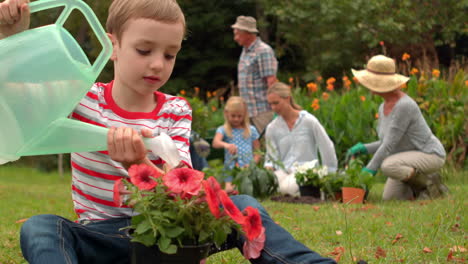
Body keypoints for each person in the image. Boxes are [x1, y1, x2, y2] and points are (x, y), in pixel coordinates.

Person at [1, 0, 335, 263]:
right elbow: (17, 94)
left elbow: (184, 183)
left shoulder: (175, 110)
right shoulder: (81, 97)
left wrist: (140, 163)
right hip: (105, 238)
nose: (158, 64)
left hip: (170, 237)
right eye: (144, 51)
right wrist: (15, 39)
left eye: (170, 54)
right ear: (112, 45)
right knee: (41, 227)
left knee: (244, 205)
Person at [348, 54, 448, 201]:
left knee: (388, 165)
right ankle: (416, 187)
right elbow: (386, 141)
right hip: (407, 158)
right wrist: (364, 148)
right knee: (391, 198)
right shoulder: (383, 107)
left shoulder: (404, 106)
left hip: (429, 154)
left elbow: (389, 145)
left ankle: (430, 185)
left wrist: (370, 169)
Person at [264, 82, 338, 196]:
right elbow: (271, 157)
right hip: (283, 172)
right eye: (270, 104)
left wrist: (330, 173)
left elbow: (326, 146)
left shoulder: (309, 121)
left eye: (276, 103)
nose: (273, 108)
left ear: (287, 99)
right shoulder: (272, 128)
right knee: (273, 185)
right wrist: (268, 169)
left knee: (287, 188)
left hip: (306, 171)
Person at [231, 15, 278, 136]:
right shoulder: (245, 52)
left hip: (262, 112)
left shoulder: (263, 51)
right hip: (248, 112)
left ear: (248, 33)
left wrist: (277, 107)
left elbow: (271, 82)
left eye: (237, 34)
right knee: (253, 150)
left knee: (267, 148)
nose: (235, 38)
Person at [212, 96, 261, 192]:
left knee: (246, 189)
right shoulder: (223, 129)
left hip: (247, 169)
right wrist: (226, 145)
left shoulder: (251, 130)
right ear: (226, 114)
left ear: (245, 115)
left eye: (239, 116)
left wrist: (252, 164)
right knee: (230, 190)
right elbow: (215, 143)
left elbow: (258, 152)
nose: (236, 119)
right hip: (231, 169)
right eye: (233, 116)